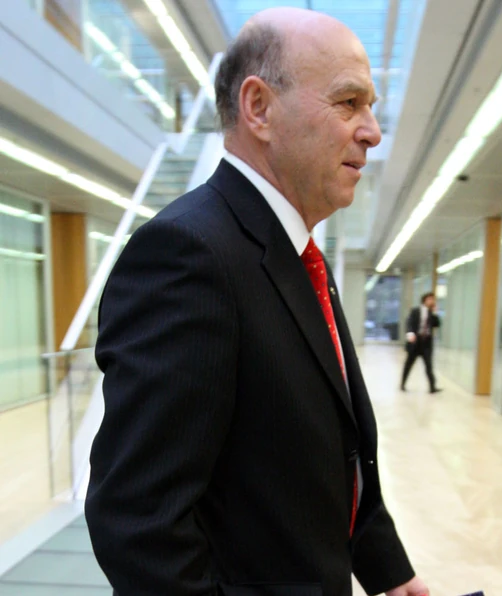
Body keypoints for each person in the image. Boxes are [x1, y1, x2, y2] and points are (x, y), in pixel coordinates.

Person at [84, 8, 428, 596]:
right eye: (348, 103)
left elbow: (329, 452)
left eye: (370, 106)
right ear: (259, 108)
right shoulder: (189, 256)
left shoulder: (299, 255)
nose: (372, 131)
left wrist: (388, 572)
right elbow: (138, 521)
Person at [400, 292, 441, 394]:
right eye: (430, 299)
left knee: (429, 366)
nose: (432, 301)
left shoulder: (432, 313)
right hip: (415, 342)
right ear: (425, 300)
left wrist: (435, 313)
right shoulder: (415, 311)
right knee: (408, 364)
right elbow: (409, 323)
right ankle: (402, 384)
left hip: (426, 343)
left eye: (433, 299)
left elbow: (437, 324)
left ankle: (432, 387)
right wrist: (410, 334)